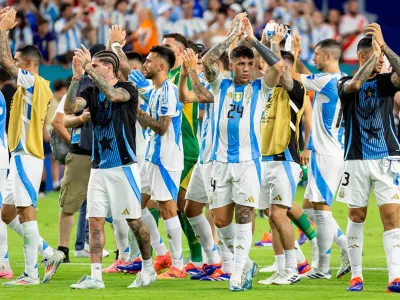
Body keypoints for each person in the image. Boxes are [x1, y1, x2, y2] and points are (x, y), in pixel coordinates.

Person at [202, 14, 282, 291]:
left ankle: (236, 275)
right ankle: (244, 263)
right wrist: (231, 36)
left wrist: (254, 42)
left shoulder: (260, 88)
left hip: (249, 162)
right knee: (221, 219)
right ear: (231, 64)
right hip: (219, 163)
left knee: (244, 216)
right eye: (241, 63)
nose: (246, 68)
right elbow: (206, 62)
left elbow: (278, 66)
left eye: (250, 64)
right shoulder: (219, 84)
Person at [65, 48, 156, 289]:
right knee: (94, 222)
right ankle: (95, 277)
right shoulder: (91, 90)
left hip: (124, 167)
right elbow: (71, 108)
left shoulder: (128, 89)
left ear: (109, 67)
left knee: (134, 222)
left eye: (95, 65)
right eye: (90, 65)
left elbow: (114, 95)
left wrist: (86, 70)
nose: (91, 68)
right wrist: (76, 78)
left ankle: (148, 268)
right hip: (98, 168)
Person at [0, 7, 64, 286]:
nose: (12, 65)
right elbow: (6, 60)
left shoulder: (35, 83)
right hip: (19, 156)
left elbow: (4, 60)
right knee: (6, 212)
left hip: (27, 155)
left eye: (17, 62)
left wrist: (3, 30)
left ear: (27, 65)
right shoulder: (29, 85)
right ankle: (48, 252)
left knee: (26, 213)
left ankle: (31, 274)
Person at [337, 24, 400, 293]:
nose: (382, 63)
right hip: (356, 159)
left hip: (388, 157)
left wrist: (383, 46)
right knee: (357, 215)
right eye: (376, 57)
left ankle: (395, 277)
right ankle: (357, 276)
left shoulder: (386, 83)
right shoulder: (344, 83)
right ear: (362, 58)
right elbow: (355, 85)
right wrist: (375, 55)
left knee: (392, 218)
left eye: (383, 59)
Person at [292, 35, 350, 279]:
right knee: (309, 209)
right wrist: (297, 58)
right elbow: (306, 74)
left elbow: (292, 79)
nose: (312, 57)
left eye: (316, 54)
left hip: (326, 153)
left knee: (322, 211)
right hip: (330, 150)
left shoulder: (326, 80)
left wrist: (293, 55)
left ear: (328, 57)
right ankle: (346, 251)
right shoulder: (340, 79)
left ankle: (322, 268)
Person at [257, 24, 307, 286]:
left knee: (279, 214)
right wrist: (262, 39)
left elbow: (279, 69)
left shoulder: (295, 91)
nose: (279, 71)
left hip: (285, 160)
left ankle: (293, 269)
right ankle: (281, 269)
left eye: (283, 67)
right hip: (265, 160)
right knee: (270, 216)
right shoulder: (266, 91)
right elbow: (260, 66)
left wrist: (276, 45)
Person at [133, 45, 186, 279]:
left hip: (166, 158)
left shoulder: (169, 91)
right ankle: (162, 253)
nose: (145, 63)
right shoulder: (154, 91)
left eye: (149, 60)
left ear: (161, 66)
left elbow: (163, 128)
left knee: (167, 209)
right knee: (136, 206)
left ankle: (179, 265)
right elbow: (147, 124)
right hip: (150, 157)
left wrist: (139, 112)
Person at [178, 48, 224, 280]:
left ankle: (233, 264)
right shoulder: (208, 84)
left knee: (221, 214)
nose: (202, 68)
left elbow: (201, 94)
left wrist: (191, 72)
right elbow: (185, 97)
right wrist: (186, 75)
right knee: (191, 208)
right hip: (205, 157)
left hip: (221, 158)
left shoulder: (223, 85)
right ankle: (213, 260)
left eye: (204, 64)